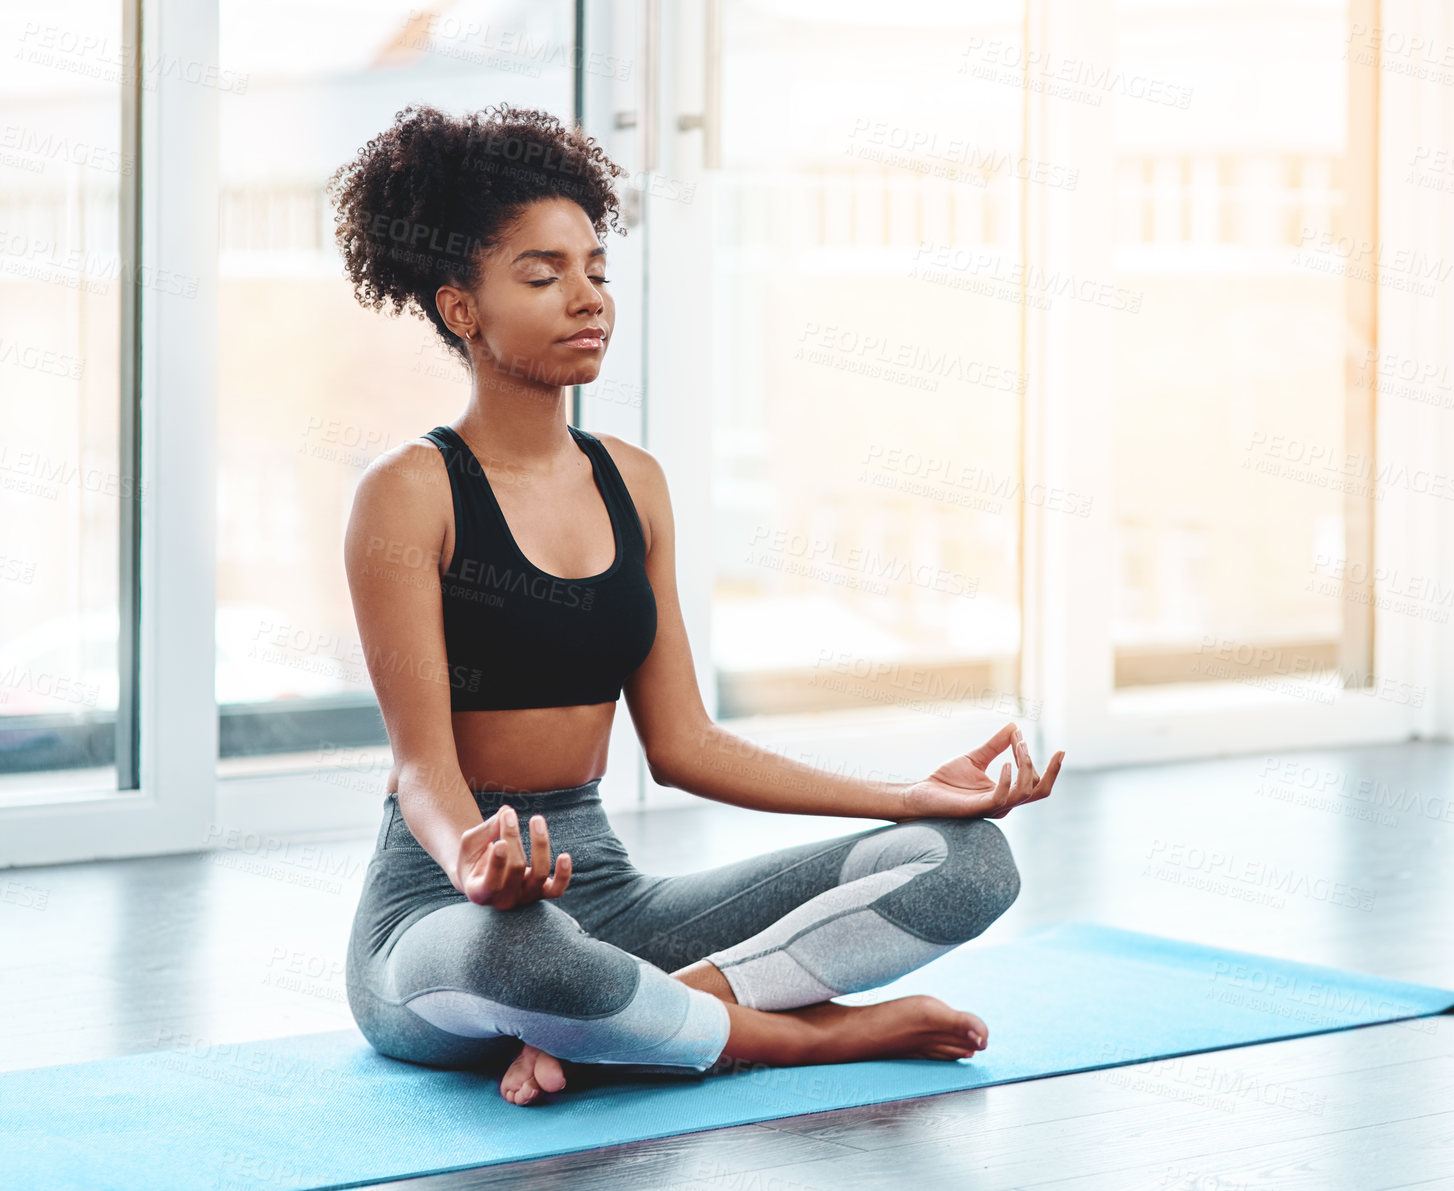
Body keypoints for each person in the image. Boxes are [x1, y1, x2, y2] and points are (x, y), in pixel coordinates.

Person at [329, 102, 1065, 1107]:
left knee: (969, 863)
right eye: (543, 276)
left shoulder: (631, 481)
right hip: (442, 915)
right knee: (530, 959)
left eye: (595, 268)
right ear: (461, 309)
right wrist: (471, 860)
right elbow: (422, 769)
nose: (586, 297)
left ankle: (642, 1021)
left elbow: (684, 745)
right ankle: (804, 1039)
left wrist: (907, 796)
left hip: (607, 894)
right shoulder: (409, 491)